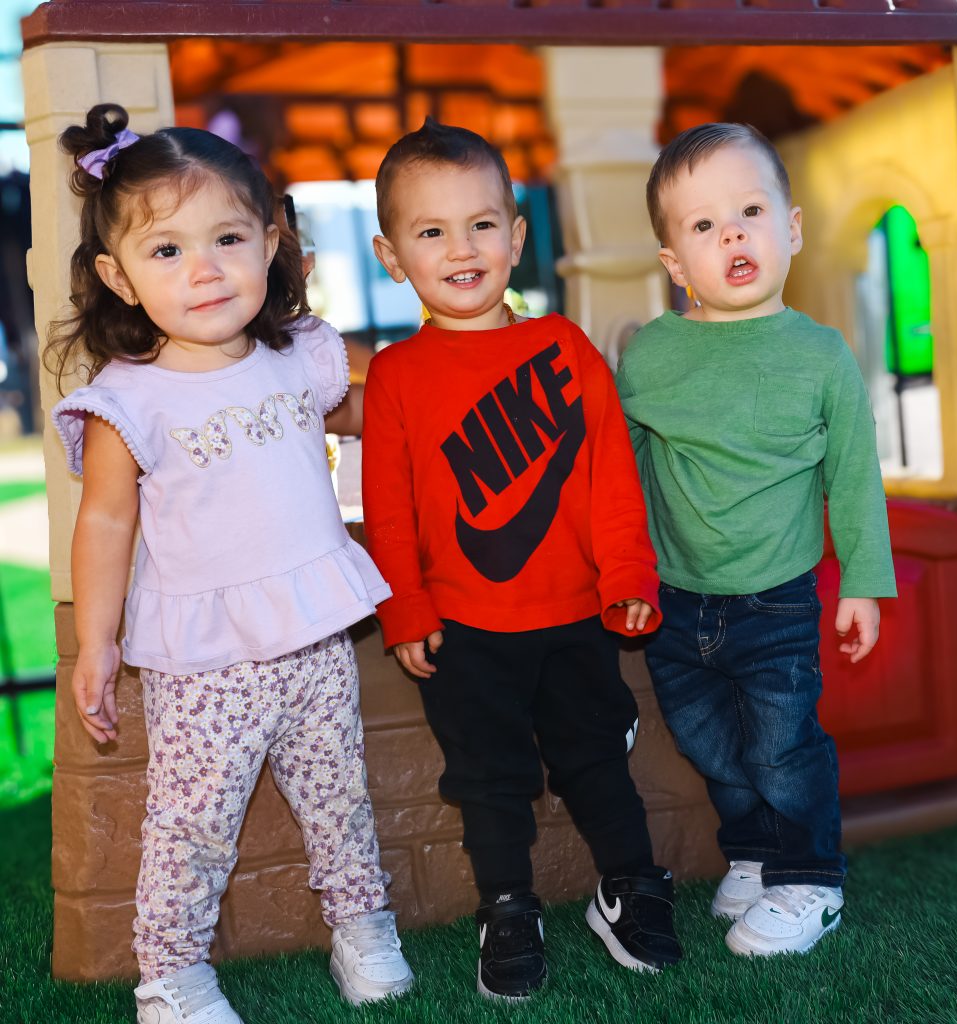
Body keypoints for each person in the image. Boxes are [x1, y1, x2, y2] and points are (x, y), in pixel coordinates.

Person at [48, 103, 414, 1023]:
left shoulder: (301, 359)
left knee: (339, 799)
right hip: (206, 662)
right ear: (118, 278)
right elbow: (102, 526)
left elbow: (391, 414)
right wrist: (94, 644)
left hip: (317, 638)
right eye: (165, 250)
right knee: (191, 827)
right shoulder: (127, 402)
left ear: (271, 243)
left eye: (227, 238)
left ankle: (363, 927)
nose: (204, 268)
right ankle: (170, 976)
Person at [361, 118, 682, 1001]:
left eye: (480, 224)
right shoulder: (395, 375)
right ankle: (507, 906)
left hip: (577, 616)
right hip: (462, 630)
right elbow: (388, 513)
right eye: (431, 232)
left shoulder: (567, 350)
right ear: (391, 254)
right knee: (489, 781)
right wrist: (406, 609)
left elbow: (611, 480)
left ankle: (629, 886)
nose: (460, 248)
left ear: (516, 234)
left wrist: (626, 576)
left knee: (595, 760)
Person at [617, 122, 897, 958]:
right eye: (702, 225)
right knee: (708, 743)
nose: (731, 233)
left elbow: (852, 474)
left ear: (793, 228)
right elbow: (623, 472)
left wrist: (863, 582)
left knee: (781, 747)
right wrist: (622, 570)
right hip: (674, 597)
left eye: (749, 210)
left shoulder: (819, 355)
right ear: (674, 264)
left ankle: (810, 877)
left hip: (775, 598)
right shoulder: (651, 356)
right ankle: (754, 852)